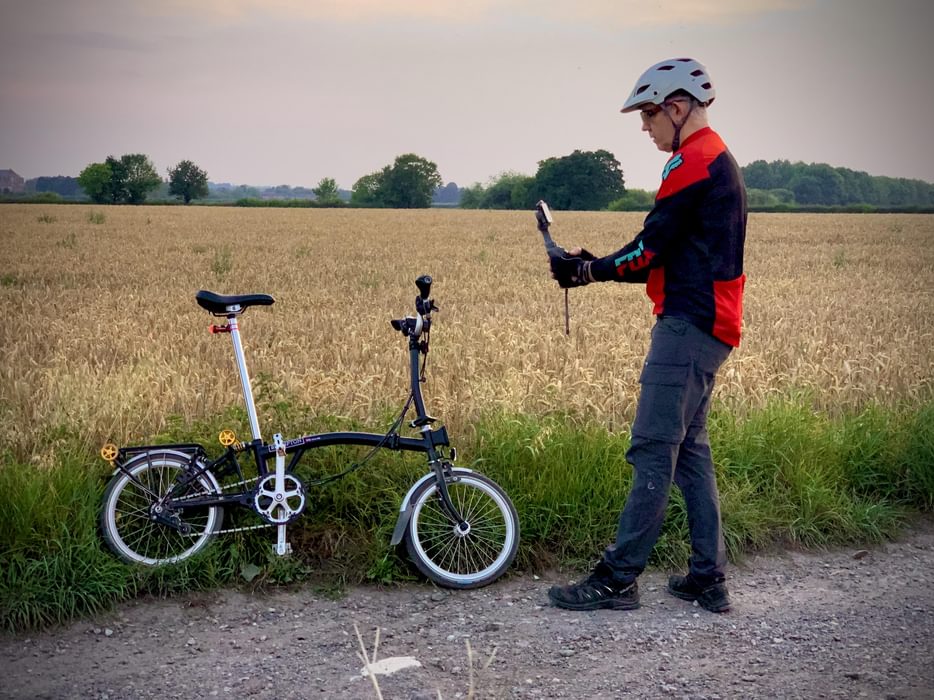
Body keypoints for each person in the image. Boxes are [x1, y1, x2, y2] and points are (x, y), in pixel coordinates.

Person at [546, 58, 747, 613]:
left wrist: (587, 270)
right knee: (691, 454)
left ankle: (617, 578)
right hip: (714, 325)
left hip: (686, 326)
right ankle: (708, 578)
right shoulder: (718, 159)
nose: (644, 126)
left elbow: (649, 248)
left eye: (649, 114)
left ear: (678, 108)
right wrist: (598, 264)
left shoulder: (693, 161)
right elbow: (661, 246)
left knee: (654, 450)